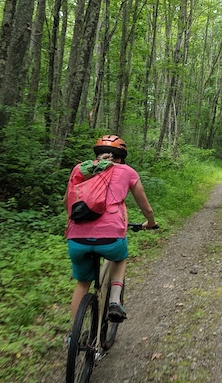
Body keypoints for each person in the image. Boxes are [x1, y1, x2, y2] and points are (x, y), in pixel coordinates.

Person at [63, 135, 157, 323]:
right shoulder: (127, 172)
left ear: (97, 156)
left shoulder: (80, 169)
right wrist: (151, 223)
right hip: (110, 237)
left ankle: (73, 337)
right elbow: (146, 207)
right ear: (121, 157)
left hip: (76, 238)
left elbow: (67, 202)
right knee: (120, 258)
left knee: (82, 284)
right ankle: (114, 301)